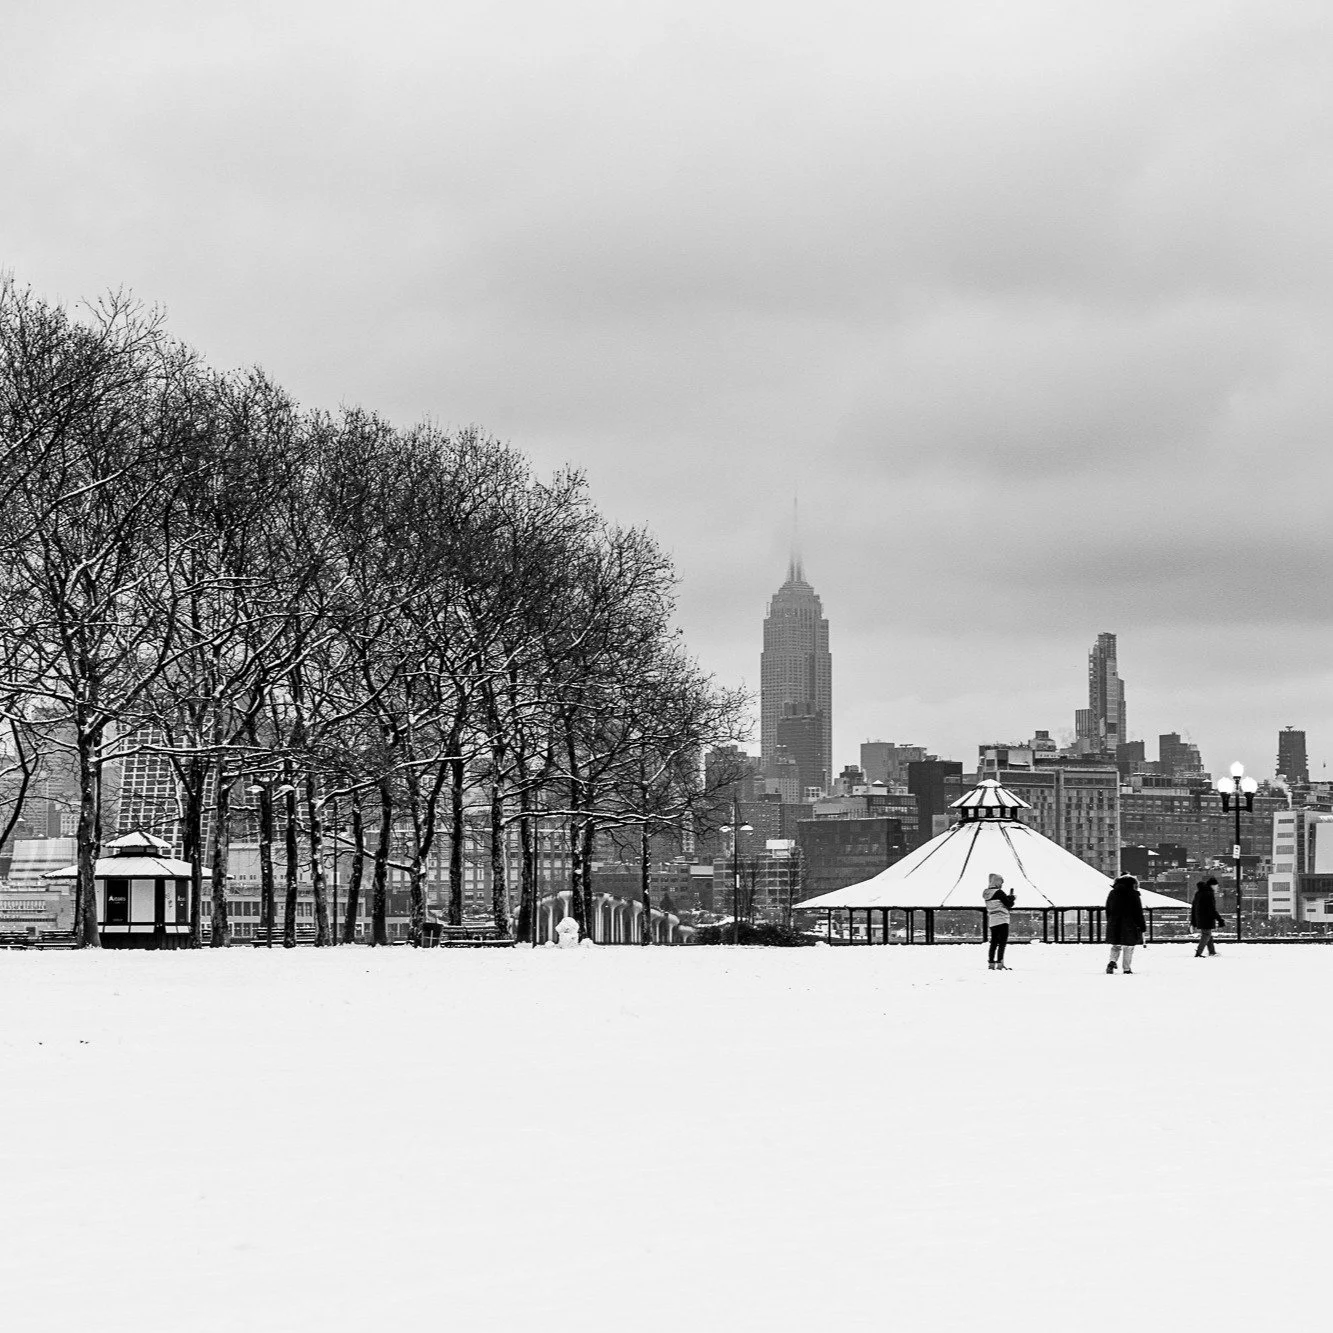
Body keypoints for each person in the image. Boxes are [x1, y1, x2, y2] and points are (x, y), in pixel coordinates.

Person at [1105, 874, 1146, 973]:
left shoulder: (1112, 893)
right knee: (1128, 946)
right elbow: (1138, 912)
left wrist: (1110, 921)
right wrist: (1142, 926)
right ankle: (1126, 968)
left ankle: (1112, 961)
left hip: (1114, 923)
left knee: (1116, 945)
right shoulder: (1133, 895)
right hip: (1129, 924)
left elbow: (1108, 909)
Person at [983, 872, 1016, 970]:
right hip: (1002, 919)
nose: (1001, 884)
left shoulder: (986, 893)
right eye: (1000, 882)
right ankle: (1000, 963)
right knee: (1002, 942)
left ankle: (991, 963)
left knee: (993, 942)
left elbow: (996, 901)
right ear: (997, 881)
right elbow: (1009, 904)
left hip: (992, 920)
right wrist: (1012, 898)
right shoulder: (999, 892)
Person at [1191, 876, 1224, 957]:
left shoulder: (1199, 893)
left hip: (1200, 917)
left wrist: (1193, 921)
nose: (1217, 887)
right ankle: (1199, 952)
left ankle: (1212, 951)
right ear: (1212, 885)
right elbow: (1211, 909)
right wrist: (1220, 919)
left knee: (1207, 934)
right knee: (1206, 934)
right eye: (1216, 885)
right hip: (1206, 918)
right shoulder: (1209, 894)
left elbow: (1194, 907)